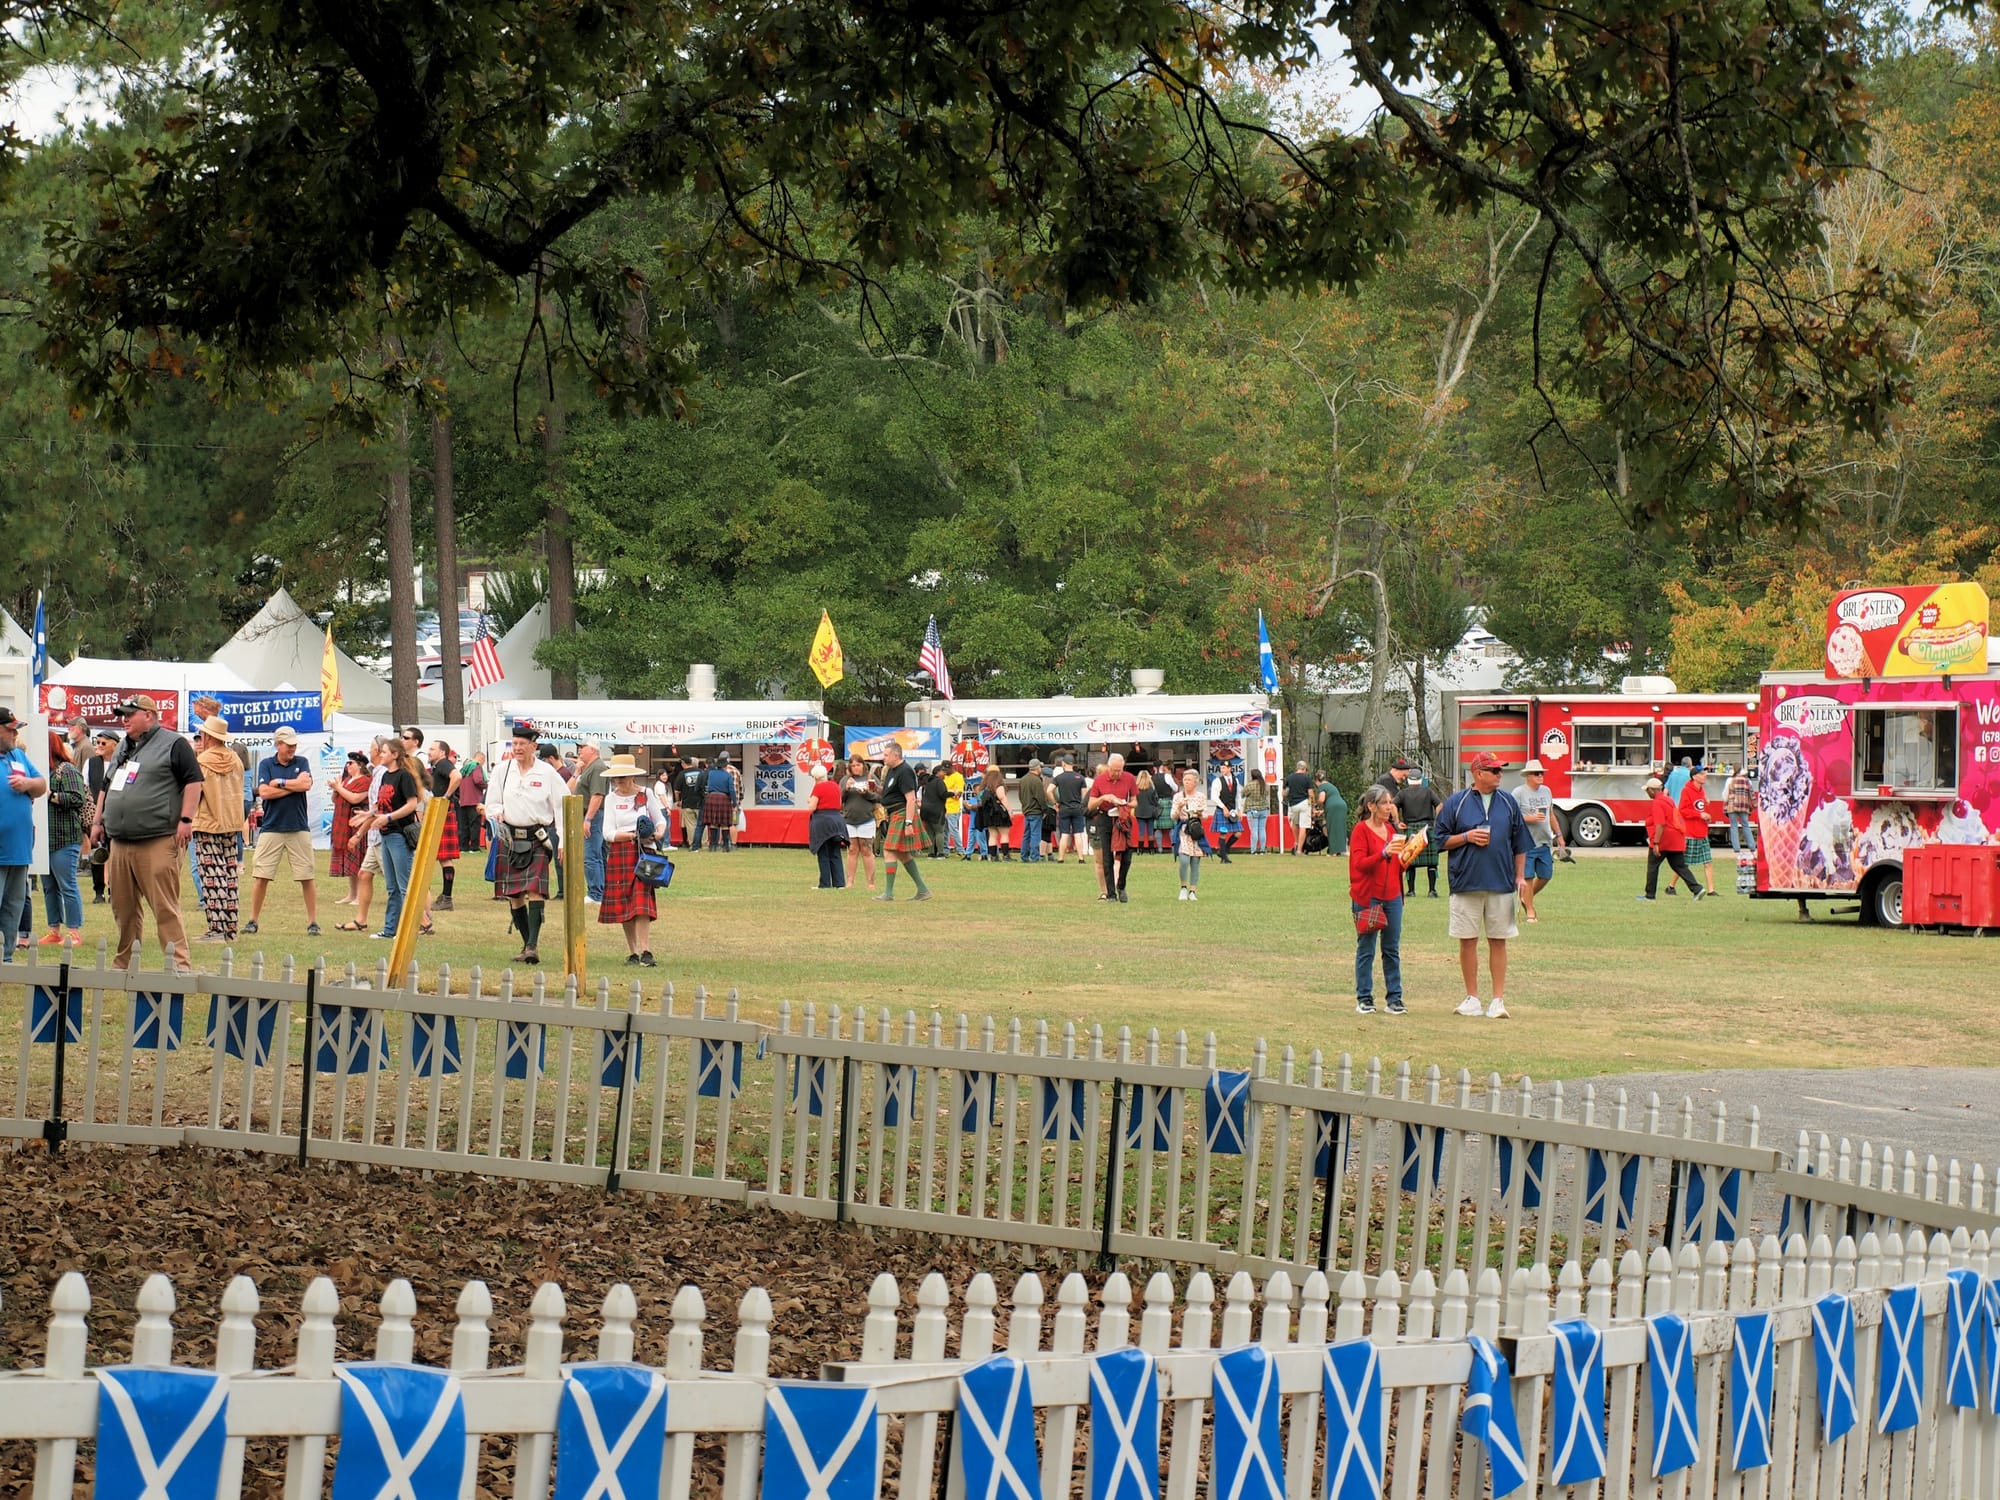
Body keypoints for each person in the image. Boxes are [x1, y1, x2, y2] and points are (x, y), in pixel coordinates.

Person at [92, 694, 203, 974]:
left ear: (149, 716)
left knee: (164, 906)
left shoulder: (174, 744)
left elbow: (194, 782)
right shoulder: (123, 747)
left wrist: (186, 819)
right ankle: (125, 963)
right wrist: (97, 822)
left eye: (130, 714)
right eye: (122, 714)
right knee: (123, 908)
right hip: (120, 841)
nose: (124, 719)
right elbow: (106, 787)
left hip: (157, 838)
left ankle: (178, 965)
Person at [1430, 752, 1531, 1021]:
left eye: (1500, 771)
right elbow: (1438, 840)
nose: (1500, 775)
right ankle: (1472, 998)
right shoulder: (1456, 802)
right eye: (1494, 770)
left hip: (1500, 883)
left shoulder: (1509, 802)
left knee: (1499, 941)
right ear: (1478, 773)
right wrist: (1466, 836)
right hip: (1465, 882)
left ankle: (1498, 1000)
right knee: (1468, 941)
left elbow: (1520, 844)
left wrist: (1520, 877)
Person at [486, 721, 564, 961]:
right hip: (510, 838)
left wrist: (562, 841)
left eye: (522, 744)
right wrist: (496, 812)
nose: (517, 748)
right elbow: (492, 802)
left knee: (535, 890)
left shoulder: (547, 772)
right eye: (515, 744)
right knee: (514, 895)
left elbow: (562, 806)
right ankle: (527, 946)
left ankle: (532, 945)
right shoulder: (502, 770)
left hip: (537, 838)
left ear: (534, 746)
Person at [242, 726, 321, 937]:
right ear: (278, 744)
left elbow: (306, 785)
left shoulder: (302, 762)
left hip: (299, 827)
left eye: (294, 744)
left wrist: (282, 782)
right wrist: (291, 786)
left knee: (307, 876)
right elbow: (265, 792)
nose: (293, 748)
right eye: (289, 745)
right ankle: (253, 920)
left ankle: (313, 922)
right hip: (271, 827)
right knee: (261, 875)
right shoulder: (266, 763)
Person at [598, 753, 665, 963]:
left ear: (632, 776)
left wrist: (659, 833)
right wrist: (631, 836)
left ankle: (646, 951)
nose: (620, 780)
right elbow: (607, 832)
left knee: (641, 900)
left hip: (644, 853)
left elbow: (661, 820)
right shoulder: (610, 799)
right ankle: (633, 952)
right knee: (624, 902)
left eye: (624, 775)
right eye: (617, 776)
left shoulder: (646, 794)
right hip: (621, 852)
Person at [187, 717, 246, 944]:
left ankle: (216, 929)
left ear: (208, 736)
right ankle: (230, 929)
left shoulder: (201, 762)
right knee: (229, 876)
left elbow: (195, 794)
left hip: (207, 822)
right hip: (232, 823)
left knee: (211, 877)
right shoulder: (236, 760)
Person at [1349, 785, 1407, 1015]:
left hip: (1392, 895)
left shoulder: (1393, 831)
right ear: (1371, 806)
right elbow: (1359, 864)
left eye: (1390, 802)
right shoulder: (1360, 831)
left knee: (1391, 949)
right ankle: (1364, 997)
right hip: (1368, 896)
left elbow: (1398, 865)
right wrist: (1383, 853)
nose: (1389, 807)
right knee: (1367, 948)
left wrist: (1408, 855)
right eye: (1384, 803)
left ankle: (1395, 998)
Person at [29, 732, 88, 951]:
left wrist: (50, 794)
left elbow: (77, 798)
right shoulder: (40, 772)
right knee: (48, 887)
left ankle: (74, 931)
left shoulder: (67, 769)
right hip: (45, 839)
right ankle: (54, 930)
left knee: (67, 885)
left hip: (65, 837)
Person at [0, 708, 48, 961]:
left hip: (19, 849)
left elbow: (42, 784)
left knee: (13, 907)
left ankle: (6, 959)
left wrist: (28, 784)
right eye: (10, 728)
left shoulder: (17, 755)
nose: (15, 733)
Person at [367, 741, 426, 940]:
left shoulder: (404, 776)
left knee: (404, 887)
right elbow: (381, 803)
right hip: (385, 834)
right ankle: (390, 929)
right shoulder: (385, 775)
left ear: (394, 754)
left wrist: (389, 817)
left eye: (383, 752)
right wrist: (369, 814)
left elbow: (412, 804)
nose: (380, 754)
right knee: (392, 887)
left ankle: (408, 930)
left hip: (399, 835)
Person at [339, 737, 392, 933]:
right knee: (363, 874)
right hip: (374, 837)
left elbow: (379, 808)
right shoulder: (377, 773)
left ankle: (423, 921)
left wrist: (359, 833)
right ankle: (361, 920)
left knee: (397, 883)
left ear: (378, 751)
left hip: (381, 836)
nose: (369, 752)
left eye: (371, 748)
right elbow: (374, 808)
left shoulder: (382, 774)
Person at [874, 742, 933, 902]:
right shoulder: (892, 771)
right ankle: (923, 890)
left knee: (888, 850)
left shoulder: (905, 771)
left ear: (895, 755)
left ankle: (888, 893)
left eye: (886, 755)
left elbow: (911, 798)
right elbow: (891, 794)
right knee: (902, 853)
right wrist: (874, 789)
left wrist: (908, 823)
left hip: (902, 813)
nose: (883, 758)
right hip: (894, 813)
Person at [1514, 759, 1566, 922]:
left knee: (1546, 875)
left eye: (1542, 773)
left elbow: (1551, 815)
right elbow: (1512, 818)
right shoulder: (1518, 793)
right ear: (1528, 776)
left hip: (1544, 841)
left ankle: (1526, 897)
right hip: (1526, 842)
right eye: (1537, 773)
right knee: (1528, 877)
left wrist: (1559, 836)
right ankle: (1530, 911)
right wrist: (1530, 818)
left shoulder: (1547, 791)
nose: (1540, 776)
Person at [1088, 752, 1140, 903]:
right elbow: (1091, 804)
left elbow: (1135, 801)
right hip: (1105, 817)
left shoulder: (1129, 778)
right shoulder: (1099, 781)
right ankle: (1111, 893)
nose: (1117, 773)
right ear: (1108, 768)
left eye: (1119, 770)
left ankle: (1121, 886)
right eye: (1114, 770)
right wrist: (1104, 798)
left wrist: (1126, 804)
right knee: (1107, 858)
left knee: (1127, 855)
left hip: (1123, 817)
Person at [1641, 774, 1702, 902]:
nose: (1647, 793)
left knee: (1652, 866)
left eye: (1647, 790)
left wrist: (1656, 843)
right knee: (1680, 866)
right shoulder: (1668, 800)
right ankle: (1697, 889)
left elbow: (1660, 824)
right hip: (1676, 838)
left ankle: (1650, 895)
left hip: (1664, 839)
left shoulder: (1657, 803)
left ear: (1652, 790)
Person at [426, 738, 464, 908]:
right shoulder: (437, 767)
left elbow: (457, 776)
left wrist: (446, 797)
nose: (429, 751)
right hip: (439, 811)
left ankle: (447, 898)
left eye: (432, 749)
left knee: (444, 857)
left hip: (442, 812)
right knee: (442, 858)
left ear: (442, 752)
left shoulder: (443, 764)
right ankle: (445, 896)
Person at [329, 750, 371, 905]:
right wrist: (335, 788)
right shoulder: (347, 780)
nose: (347, 765)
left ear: (359, 765)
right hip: (343, 822)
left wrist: (339, 787)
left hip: (356, 822)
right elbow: (335, 799)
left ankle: (360, 896)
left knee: (359, 861)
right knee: (349, 861)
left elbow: (355, 798)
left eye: (351, 763)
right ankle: (351, 894)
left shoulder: (365, 780)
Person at [1394, 769, 1441, 897]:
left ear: (1409, 780)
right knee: (1432, 862)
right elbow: (1439, 805)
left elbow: (1393, 806)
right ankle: (1432, 891)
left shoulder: (1402, 793)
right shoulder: (1428, 791)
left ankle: (1411, 891)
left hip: (1410, 828)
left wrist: (1397, 822)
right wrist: (1437, 821)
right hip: (1427, 828)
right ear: (1421, 779)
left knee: (1410, 860)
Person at [83, 730, 117, 903]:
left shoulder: (122, 764)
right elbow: (86, 788)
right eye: (98, 742)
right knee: (97, 853)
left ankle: (114, 890)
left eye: (104, 743)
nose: (99, 746)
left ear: (115, 745)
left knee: (115, 854)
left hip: (116, 815)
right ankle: (98, 891)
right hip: (95, 815)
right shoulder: (91, 763)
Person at [571, 741, 607, 904]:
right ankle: (599, 890)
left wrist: (588, 819)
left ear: (592, 749)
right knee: (595, 855)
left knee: (590, 855)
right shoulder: (591, 767)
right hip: (590, 815)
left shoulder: (598, 768)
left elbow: (597, 795)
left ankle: (595, 893)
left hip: (592, 816)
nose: (579, 751)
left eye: (582, 748)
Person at [839, 753, 881, 891]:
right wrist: (846, 788)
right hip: (849, 819)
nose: (856, 768)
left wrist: (866, 793)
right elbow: (840, 797)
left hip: (866, 818)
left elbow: (878, 796)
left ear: (863, 765)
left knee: (866, 849)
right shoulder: (846, 779)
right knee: (852, 850)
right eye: (853, 765)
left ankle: (871, 883)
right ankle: (850, 881)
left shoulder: (870, 778)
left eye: (858, 765)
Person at [1677, 765, 1719, 897]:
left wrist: (1706, 815)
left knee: (1708, 861)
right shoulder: (1686, 791)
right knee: (1684, 863)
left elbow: (1700, 809)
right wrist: (1699, 815)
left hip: (1702, 831)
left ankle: (1711, 890)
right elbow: (1682, 810)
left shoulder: (1702, 791)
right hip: (1690, 832)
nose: (1705, 775)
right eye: (1702, 774)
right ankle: (1671, 886)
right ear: (1694, 777)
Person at [807, 763, 848, 889]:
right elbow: (840, 803)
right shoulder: (835, 786)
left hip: (822, 821)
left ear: (814, 777)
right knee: (835, 852)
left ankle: (825, 883)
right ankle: (840, 883)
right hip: (837, 821)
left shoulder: (818, 788)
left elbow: (812, 807)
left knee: (823, 852)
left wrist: (809, 801)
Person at [1170, 768, 1208, 901]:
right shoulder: (1178, 797)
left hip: (1196, 830)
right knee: (1184, 860)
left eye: (1189, 780)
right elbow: (1173, 816)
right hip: (1183, 830)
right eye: (1185, 780)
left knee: (1196, 861)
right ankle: (1183, 888)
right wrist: (1180, 807)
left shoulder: (1201, 797)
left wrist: (1199, 813)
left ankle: (1193, 890)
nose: (1186, 782)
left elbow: (1205, 816)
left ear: (1195, 782)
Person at [1052, 756, 1088, 865]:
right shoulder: (1080, 778)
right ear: (1073, 764)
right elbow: (1085, 795)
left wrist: (1055, 802)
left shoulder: (1059, 778)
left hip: (1064, 808)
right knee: (1078, 834)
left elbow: (1049, 790)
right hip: (1077, 808)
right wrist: (1081, 804)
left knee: (1064, 834)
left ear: (1063, 764)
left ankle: (1061, 858)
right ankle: (1081, 858)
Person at [1207, 760, 1242, 863]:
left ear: (1230, 768)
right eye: (1221, 768)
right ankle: (1224, 858)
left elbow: (1238, 796)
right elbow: (1214, 797)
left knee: (1238, 833)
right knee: (1223, 833)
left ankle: (1223, 850)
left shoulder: (1236, 780)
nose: (1222, 770)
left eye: (1224, 768)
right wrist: (1223, 807)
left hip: (1233, 811)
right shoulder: (1217, 781)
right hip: (1222, 810)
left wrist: (1239, 810)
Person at [1017, 759, 1051, 862]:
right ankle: (1035, 856)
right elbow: (1040, 798)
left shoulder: (1023, 780)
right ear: (1037, 768)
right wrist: (1045, 810)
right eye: (1040, 767)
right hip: (1036, 811)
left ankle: (1024, 856)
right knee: (1036, 834)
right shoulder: (1037, 781)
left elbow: (1020, 796)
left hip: (1026, 810)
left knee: (1026, 834)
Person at [977, 766, 1013, 860]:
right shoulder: (999, 785)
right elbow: (1002, 797)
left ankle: (993, 856)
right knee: (1004, 834)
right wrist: (1009, 810)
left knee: (992, 835)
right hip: (999, 812)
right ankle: (1006, 856)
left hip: (988, 813)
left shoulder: (984, 787)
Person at [702, 757, 737, 852]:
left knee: (713, 822)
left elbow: (708, 785)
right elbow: (731, 789)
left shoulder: (711, 773)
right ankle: (726, 846)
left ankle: (713, 846)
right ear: (725, 766)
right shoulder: (727, 775)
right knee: (725, 823)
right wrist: (734, 803)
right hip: (723, 798)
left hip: (711, 797)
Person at [455, 752, 487, 857]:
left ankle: (463, 847)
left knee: (464, 825)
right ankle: (474, 847)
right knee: (474, 824)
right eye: (483, 761)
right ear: (481, 759)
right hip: (474, 800)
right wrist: (487, 785)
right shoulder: (476, 767)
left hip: (463, 801)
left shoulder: (464, 768)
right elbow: (478, 780)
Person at [917, 761, 949, 856]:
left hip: (926, 810)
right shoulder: (939, 782)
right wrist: (952, 794)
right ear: (938, 772)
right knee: (939, 831)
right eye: (943, 772)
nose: (945, 774)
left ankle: (931, 853)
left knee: (930, 832)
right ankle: (940, 853)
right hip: (936, 810)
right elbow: (943, 794)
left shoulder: (928, 782)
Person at [1724, 763, 1756, 857]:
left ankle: (1737, 849)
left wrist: (1725, 807)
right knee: (1745, 825)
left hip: (1732, 806)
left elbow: (1726, 795)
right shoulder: (1747, 781)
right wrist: (1754, 805)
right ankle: (1752, 847)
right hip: (1744, 806)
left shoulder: (1730, 780)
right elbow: (1752, 794)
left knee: (1733, 826)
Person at [1283, 760, 1315, 854]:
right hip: (1304, 803)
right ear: (1304, 769)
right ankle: (1299, 849)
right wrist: (1312, 806)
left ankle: (1296, 842)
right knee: (1303, 826)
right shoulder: (1307, 778)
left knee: (1294, 824)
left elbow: (1284, 793)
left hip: (1293, 804)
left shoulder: (1289, 778)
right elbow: (1311, 794)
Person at [1315, 768, 1346, 856]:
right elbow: (1333, 799)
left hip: (1333, 807)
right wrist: (1323, 811)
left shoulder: (1322, 786)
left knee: (1331, 828)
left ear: (1317, 780)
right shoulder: (1331, 785)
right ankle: (1343, 850)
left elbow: (1322, 799)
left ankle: (1333, 852)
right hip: (1342, 805)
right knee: (1340, 828)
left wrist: (1316, 805)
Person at [678, 757, 706, 850]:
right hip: (701, 802)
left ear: (683, 763)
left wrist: (678, 800)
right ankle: (704, 843)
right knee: (703, 824)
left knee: (691, 825)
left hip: (687, 802)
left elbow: (677, 790)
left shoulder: (682, 774)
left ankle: (693, 844)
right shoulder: (702, 772)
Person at [1134, 770, 1162, 854]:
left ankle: (1140, 849)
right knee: (1150, 831)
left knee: (1141, 831)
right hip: (1150, 811)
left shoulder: (1136, 788)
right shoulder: (1151, 789)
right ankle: (1151, 849)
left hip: (1139, 811)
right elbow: (1155, 801)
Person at [1244, 769, 1271, 854]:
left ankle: (1254, 849)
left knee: (1254, 830)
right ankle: (1262, 849)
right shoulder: (1265, 785)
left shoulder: (1250, 785)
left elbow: (1242, 793)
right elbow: (1267, 794)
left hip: (1252, 809)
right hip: (1263, 809)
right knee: (1262, 829)